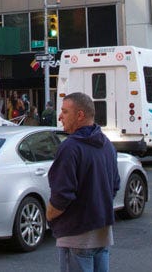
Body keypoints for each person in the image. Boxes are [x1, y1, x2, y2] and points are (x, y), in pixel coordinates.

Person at [47, 92, 119, 272]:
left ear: (80, 115)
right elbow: (114, 186)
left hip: (76, 234)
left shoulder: (70, 148)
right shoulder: (107, 145)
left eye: (64, 112)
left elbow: (62, 196)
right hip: (102, 233)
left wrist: (49, 215)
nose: (60, 117)